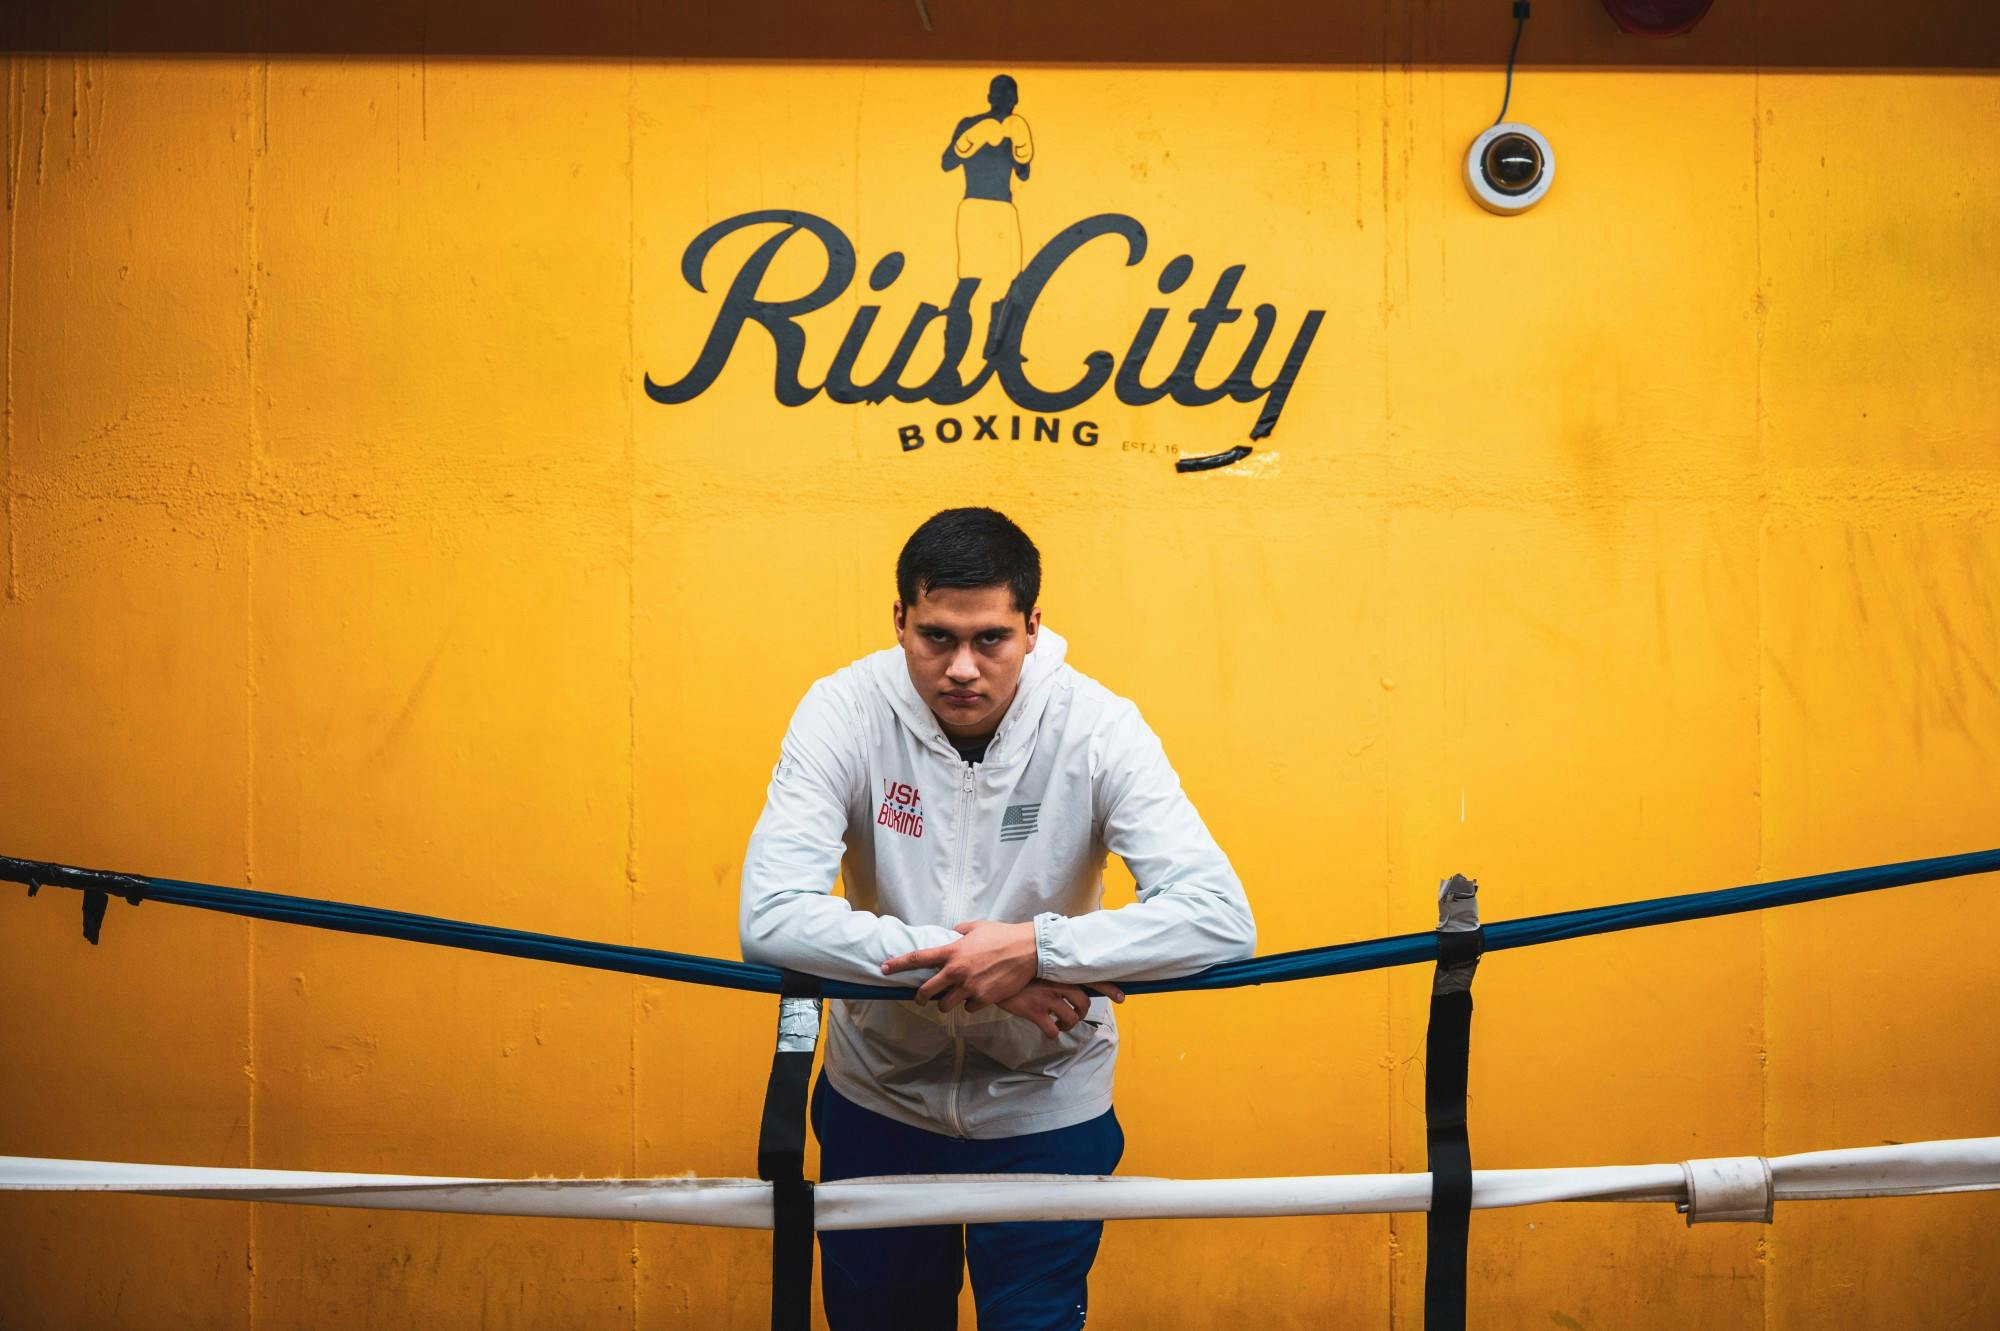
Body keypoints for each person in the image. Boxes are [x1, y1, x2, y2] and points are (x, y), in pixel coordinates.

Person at [739, 507, 1256, 1330]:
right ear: (900, 621)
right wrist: (983, 966)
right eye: (937, 637)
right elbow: (769, 916)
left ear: (1033, 627)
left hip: (1046, 1103)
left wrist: (1040, 947)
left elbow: (1220, 917)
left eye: (991, 639)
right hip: (880, 1100)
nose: (963, 668)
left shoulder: (1096, 725)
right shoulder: (845, 709)